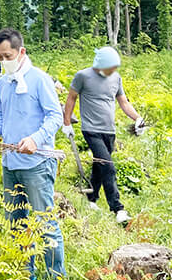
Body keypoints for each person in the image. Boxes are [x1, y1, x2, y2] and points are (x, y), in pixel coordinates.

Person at [0, 28, 65, 280]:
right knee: (16, 223)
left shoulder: (40, 79)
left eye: (7, 56)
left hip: (37, 164)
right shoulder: (2, 82)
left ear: (21, 52)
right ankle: (25, 276)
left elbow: (55, 117)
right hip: (10, 163)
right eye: (0, 57)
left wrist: (35, 139)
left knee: (45, 224)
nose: (4, 61)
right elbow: (0, 113)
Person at [62, 45, 144, 225]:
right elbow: (71, 98)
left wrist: (138, 118)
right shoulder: (82, 76)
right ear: (100, 64)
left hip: (109, 130)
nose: (113, 70)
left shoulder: (116, 78)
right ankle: (118, 209)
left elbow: (123, 102)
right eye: (110, 67)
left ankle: (91, 198)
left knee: (100, 165)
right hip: (91, 129)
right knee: (108, 166)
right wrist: (66, 122)